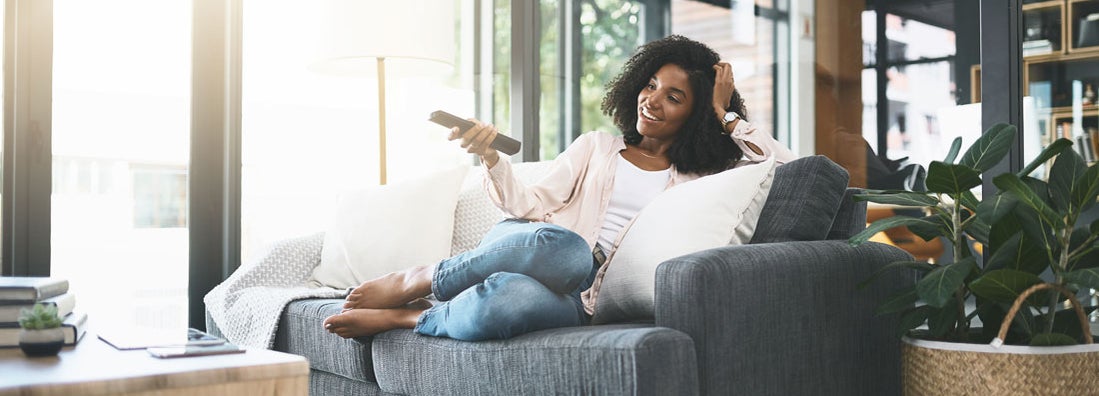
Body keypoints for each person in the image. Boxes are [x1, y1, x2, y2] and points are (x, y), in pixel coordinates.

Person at [323, 35, 796, 341]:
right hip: (543, 251)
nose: (651, 100)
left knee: (508, 299)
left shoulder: (702, 180)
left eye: (674, 97)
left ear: (695, 115)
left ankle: (410, 318)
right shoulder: (596, 147)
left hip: (586, 299)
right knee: (568, 251)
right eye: (650, 85)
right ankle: (423, 278)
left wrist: (726, 116)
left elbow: (785, 168)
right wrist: (490, 156)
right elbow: (526, 204)